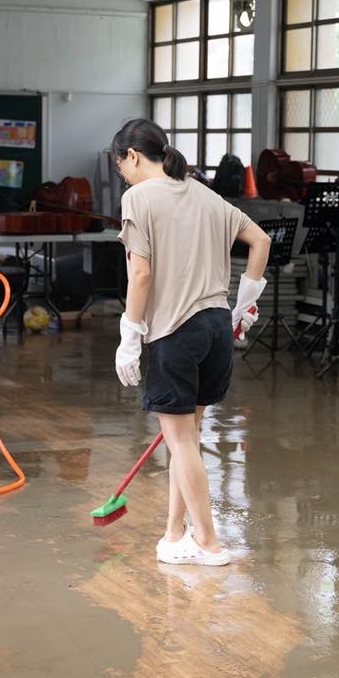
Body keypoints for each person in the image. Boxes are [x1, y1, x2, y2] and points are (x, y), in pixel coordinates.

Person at [111, 119, 271, 566]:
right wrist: (245, 303)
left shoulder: (138, 198)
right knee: (186, 439)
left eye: (120, 165)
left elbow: (140, 273)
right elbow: (260, 241)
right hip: (217, 328)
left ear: (133, 156)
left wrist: (129, 334)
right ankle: (173, 533)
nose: (122, 174)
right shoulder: (204, 193)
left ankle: (208, 541)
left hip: (174, 332)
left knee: (181, 441)